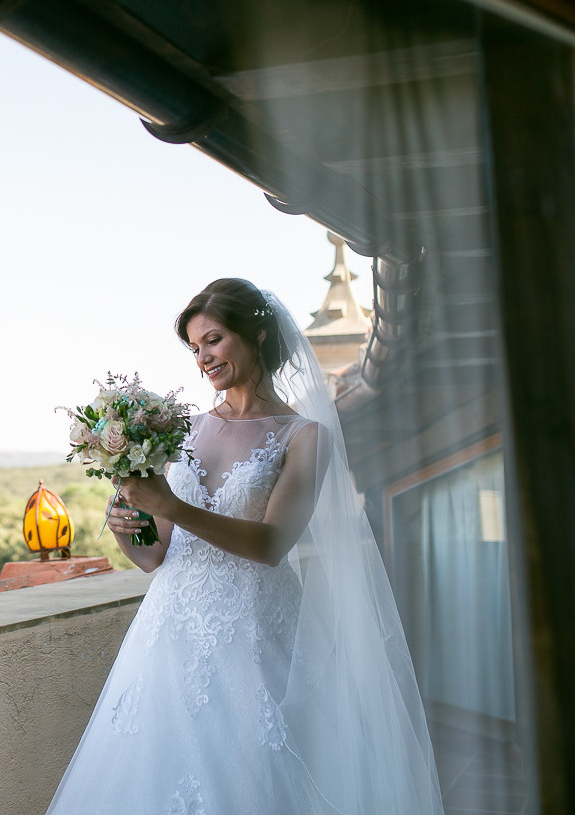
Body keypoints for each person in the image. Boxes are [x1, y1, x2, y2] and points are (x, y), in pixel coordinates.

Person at [45, 278, 444, 815]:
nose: (203, 357)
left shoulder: (304, 436)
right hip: (168, 633)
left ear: (256, 333)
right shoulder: (182, 430)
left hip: (251, 630)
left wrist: (171, 507)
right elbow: (157, 555)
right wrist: (127, 532)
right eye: (194, 348)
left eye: (212, 340)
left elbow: (272, 543)